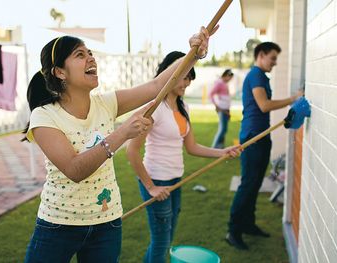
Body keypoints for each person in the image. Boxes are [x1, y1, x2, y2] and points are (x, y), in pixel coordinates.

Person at [22, 26, 212, 263]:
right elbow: (74, 170)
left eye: (90, 52)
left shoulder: (105, 104)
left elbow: (156, 87)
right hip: (59, 224)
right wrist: (122, 133)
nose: (91, 57)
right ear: (60, 72)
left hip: (106, 223)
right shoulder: (44, 115)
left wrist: (193, 53)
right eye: (80, 55)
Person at [126, 51, 241, 263]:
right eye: (184, 76)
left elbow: (192, 147)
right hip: (157, 181)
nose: (187, 82)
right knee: (161, 242)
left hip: (175, 180)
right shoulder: (154, 108)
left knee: (165, 240)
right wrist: (151, 186)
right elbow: (131, 151)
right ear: (170, 73)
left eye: (189, 77)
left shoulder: (183, 107)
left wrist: (222, 152)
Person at [225, 42, 303, 250]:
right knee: (248, 184)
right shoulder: (256, 75)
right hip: (252, 137)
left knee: (255, 183)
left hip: (262, 136)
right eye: (273, 58)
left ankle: (248, 225)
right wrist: (293, 99)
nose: (275, 63)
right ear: (261, 55)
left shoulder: (261, 76)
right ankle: (233, 231)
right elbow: (264, 105)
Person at [210, 68, 234, 148]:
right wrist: (216, 106)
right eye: (229, 77)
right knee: (222, 129)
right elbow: (211, 94)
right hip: (222, 109)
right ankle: (214, 147)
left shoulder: (224, 83)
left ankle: (220, 147)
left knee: (224, 129)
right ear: (226, 75)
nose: (230, 79)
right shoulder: (219, 83)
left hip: (226, 109)